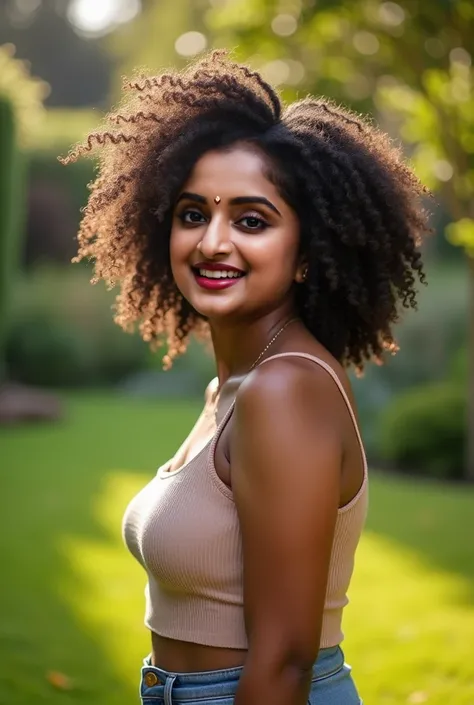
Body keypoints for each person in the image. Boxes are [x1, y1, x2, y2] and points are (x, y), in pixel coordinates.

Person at [62, 50, 429, 705]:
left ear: (307, 257)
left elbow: (284, 661)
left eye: (252, 220)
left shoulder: (283, 390)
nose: (212, 242)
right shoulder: (236, 386)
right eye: (193, 212)